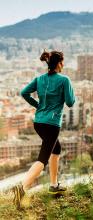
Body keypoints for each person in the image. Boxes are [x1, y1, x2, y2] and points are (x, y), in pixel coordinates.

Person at [11, 50, 75, 209]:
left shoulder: (39, 79)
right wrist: (69, 91)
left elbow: (24, 93)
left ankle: (54, 186)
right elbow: (70, 102)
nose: (63, 65)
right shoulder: (64, 80)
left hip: (38, 122)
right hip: (52, 124)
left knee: (56, 149)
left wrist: (37, 105)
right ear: (59, 63)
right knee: (43, 159)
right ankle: (22, 187)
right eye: (63, 62)